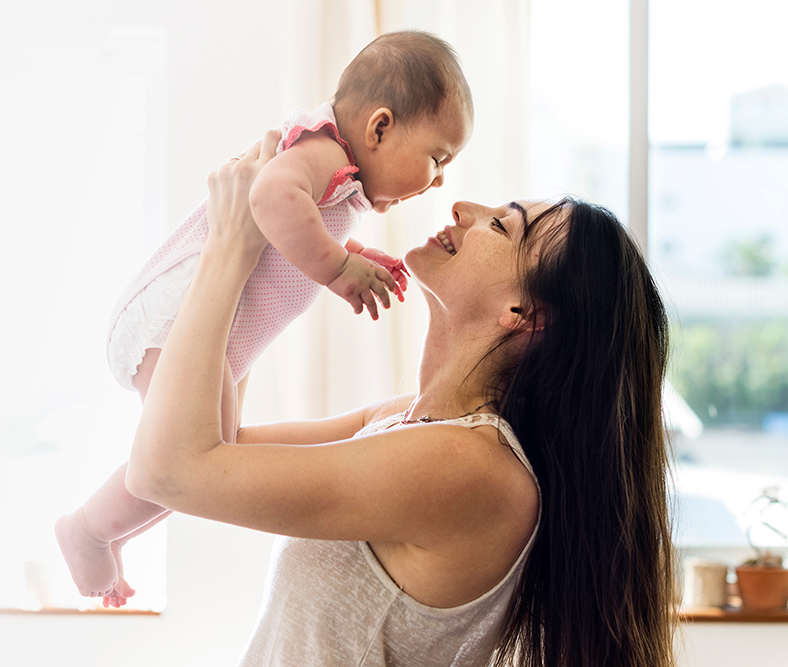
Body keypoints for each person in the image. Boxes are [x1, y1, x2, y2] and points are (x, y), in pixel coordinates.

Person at [124, 134, 678, 666]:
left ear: (522, 315)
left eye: (503, 226)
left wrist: (229, 247)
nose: (463, 206)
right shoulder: (405, 423)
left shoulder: (469, 467)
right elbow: (217, 442)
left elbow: (170, 471)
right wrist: (265, 261)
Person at [56, 29, 473, 602]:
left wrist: (349, 258)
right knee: (190, 459)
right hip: (177, 311)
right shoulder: (325, 152)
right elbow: (270, 197)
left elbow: (291, 234)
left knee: (206, 458)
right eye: (437, 158)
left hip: (209, 327)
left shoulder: (338, 174)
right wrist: (335, 269)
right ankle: (86, 531)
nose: (441, 179)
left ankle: (103, 533)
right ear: (379, 127)